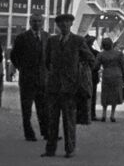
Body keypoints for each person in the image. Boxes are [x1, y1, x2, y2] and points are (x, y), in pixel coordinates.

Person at [42, 13, 94, 158]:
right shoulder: (52, 41)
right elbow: (47, 61)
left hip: (71, 88)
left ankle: (69, 149)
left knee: (69, 120)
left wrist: (79, 73)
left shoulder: (78, 40)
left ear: (71, 24)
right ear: (58, 26)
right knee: (52, 120)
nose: (64, 26)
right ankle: (50, 149)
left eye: (67, 23)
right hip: (54, 87)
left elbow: (91, 59)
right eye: (61, 24)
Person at [10, 13, 49, 141]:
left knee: (43, 109)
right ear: (30, 22)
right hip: (27, 80)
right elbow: (14, 56)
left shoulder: (46, 37)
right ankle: (29, 133)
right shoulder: (22, 38)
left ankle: (46, 132)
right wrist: (22, 68)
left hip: (42, 79)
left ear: (42, 22)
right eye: (34, 21)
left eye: (39, 21)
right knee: (26, 110)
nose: (36, 23)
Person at [94, 37, 124, 123]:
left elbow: (96, 66)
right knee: (115, 95)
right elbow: (123, 66)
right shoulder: (119, 54)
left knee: (105, 94)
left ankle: (104, 114)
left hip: (106, 75)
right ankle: (112, 115)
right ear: (112, 44)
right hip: (117, 75)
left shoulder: (101, 55)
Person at [85, 35, 100, 121]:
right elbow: (97, 66)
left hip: (82, 76)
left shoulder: (80, 52)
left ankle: (83, 114)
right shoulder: (96, 53)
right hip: (93, 76)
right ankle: (92, 114)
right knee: (93, 96)